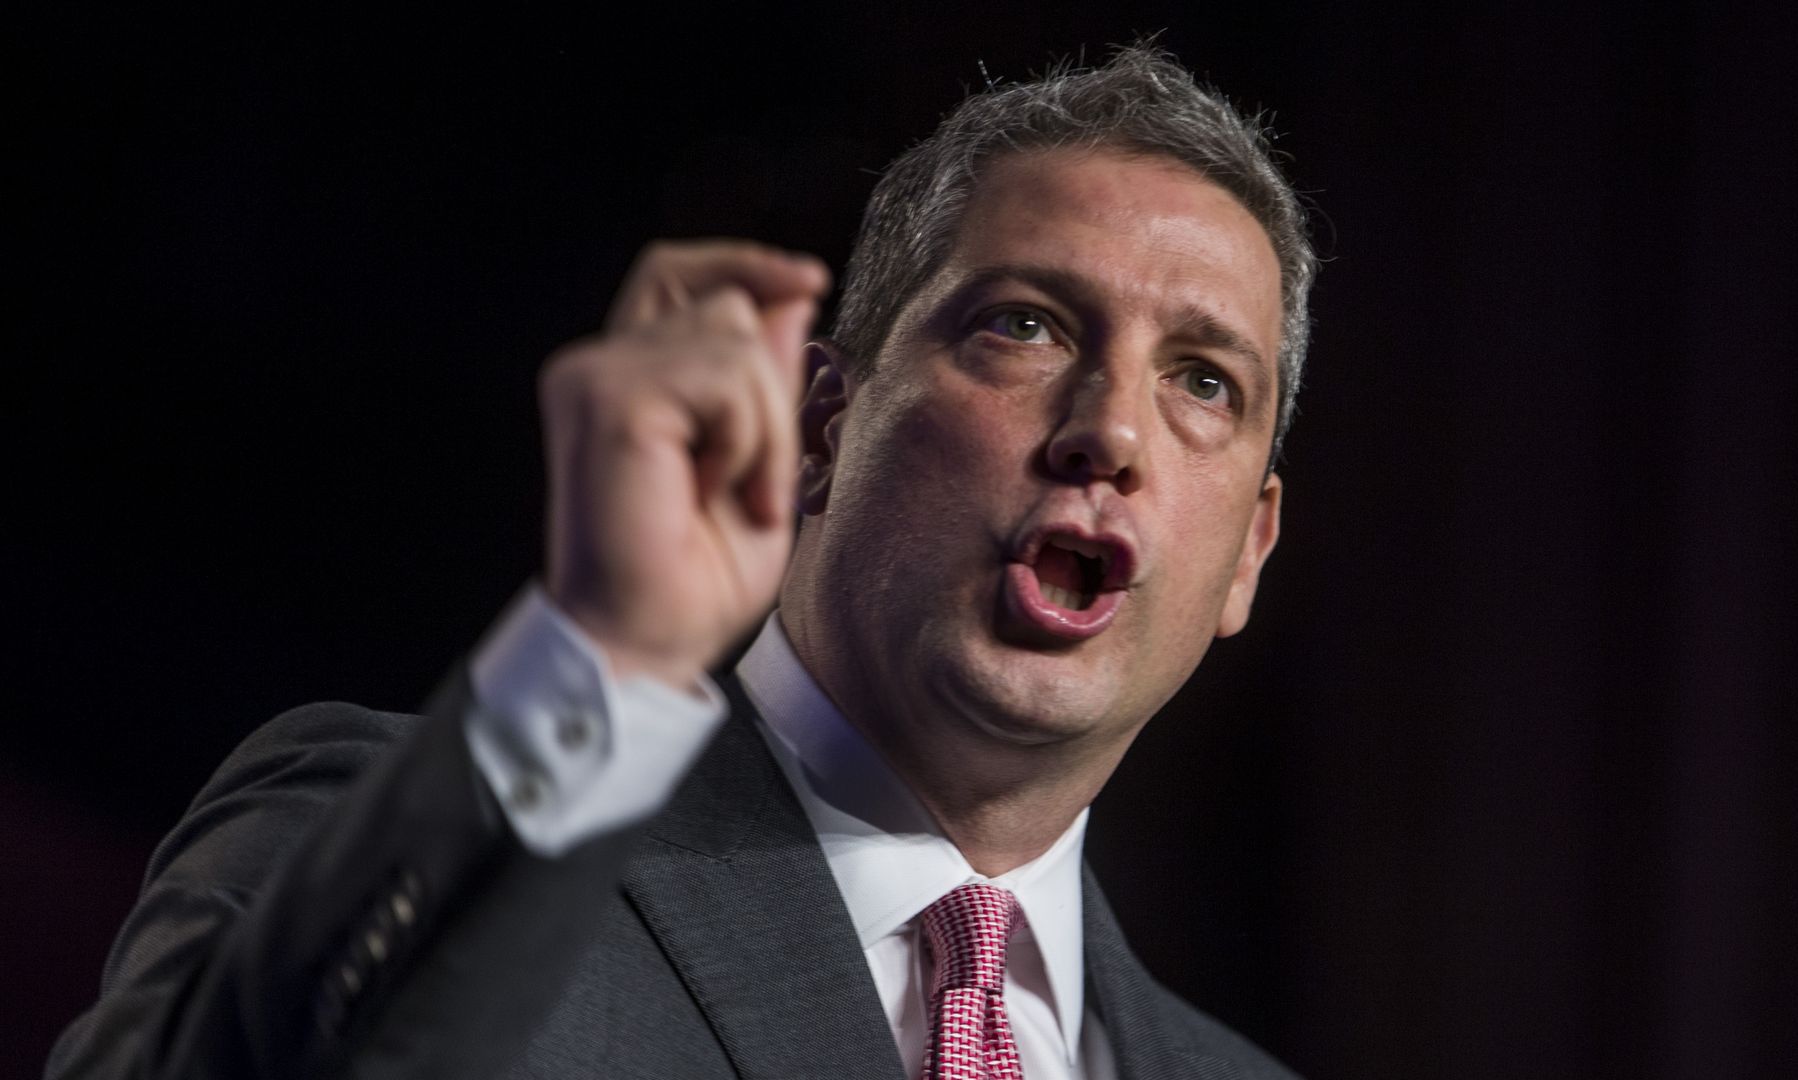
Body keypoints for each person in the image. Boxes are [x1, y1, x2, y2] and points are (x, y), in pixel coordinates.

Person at [48, 44, 1315, 1080]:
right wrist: (604, 663)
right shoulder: (405, 839)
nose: (1109, 427)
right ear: (824, 426)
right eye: (1025, 327)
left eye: (1204, 378)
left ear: (1247, 555)